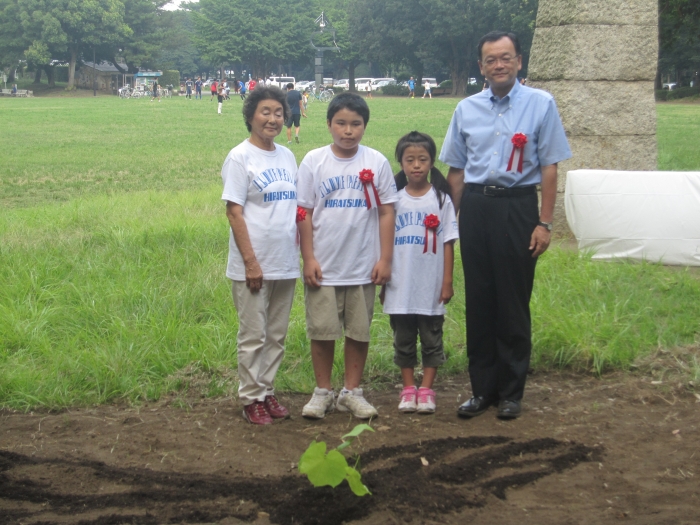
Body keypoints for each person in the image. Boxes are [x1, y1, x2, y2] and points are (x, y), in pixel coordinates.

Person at [439, 31, 572, 420]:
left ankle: (512, 392)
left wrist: (544, 223)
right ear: (481, 66)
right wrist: (451, 222)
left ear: (518, 61)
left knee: (512, 300)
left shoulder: (541, 105)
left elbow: (549, 166)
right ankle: (482, 390)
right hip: (477, 207)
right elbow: (457, 171)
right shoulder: (466, 109)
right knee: (480, 300)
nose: (498, 65)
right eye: (490, 59)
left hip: (518, 208)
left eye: (506, 58)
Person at [297, 93, 398, 420]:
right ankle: (322, 391)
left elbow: (386, 213)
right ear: (328, 124)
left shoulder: (376, 162)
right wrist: (308, 258)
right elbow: (304, 213)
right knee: (322, 331)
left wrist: (385, 259)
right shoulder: (314, 161)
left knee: (359, 331)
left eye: (356, 124)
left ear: (365, 126)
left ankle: (352, 392)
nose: (348, 130)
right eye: (341, 123)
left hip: (362, 266)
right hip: (324, 266)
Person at [221, 85, 298, 425]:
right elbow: (234, 212)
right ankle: (250, 398)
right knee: (254, 335)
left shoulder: (287, 156)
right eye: (265, 112)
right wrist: (251, 262)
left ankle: (267, 391)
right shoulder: (240, 156)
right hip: (253, 264)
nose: (272, 119)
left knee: (276, 334)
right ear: (251, 116)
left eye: (278, 113)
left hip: (285, 261)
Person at [381, 132, 458, 414]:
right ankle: (407, 388)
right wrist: (383, 281)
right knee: (402, 341)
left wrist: (447, 282)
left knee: (431, 339)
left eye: (422, 159)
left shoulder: (441, 200)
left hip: (430, 286)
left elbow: (449, 242)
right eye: (409, 159)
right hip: (400, 285)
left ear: (432, 162)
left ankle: (426, 389)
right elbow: (383, 242)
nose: (416, 165)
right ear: (400, 162)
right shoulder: (394, 200)